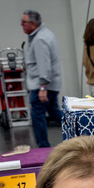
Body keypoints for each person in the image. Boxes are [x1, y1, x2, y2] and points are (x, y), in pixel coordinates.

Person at [21, 11, 62, 149]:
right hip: (48, 84)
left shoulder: (40, 39)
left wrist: (43, 88)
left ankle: (43, 148)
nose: (21, 25)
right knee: (55, 113)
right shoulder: (45, 34)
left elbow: (44, 65)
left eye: (24, 22)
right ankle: (82, 130)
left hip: (42, 86)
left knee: (38, 116)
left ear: (33, 24)